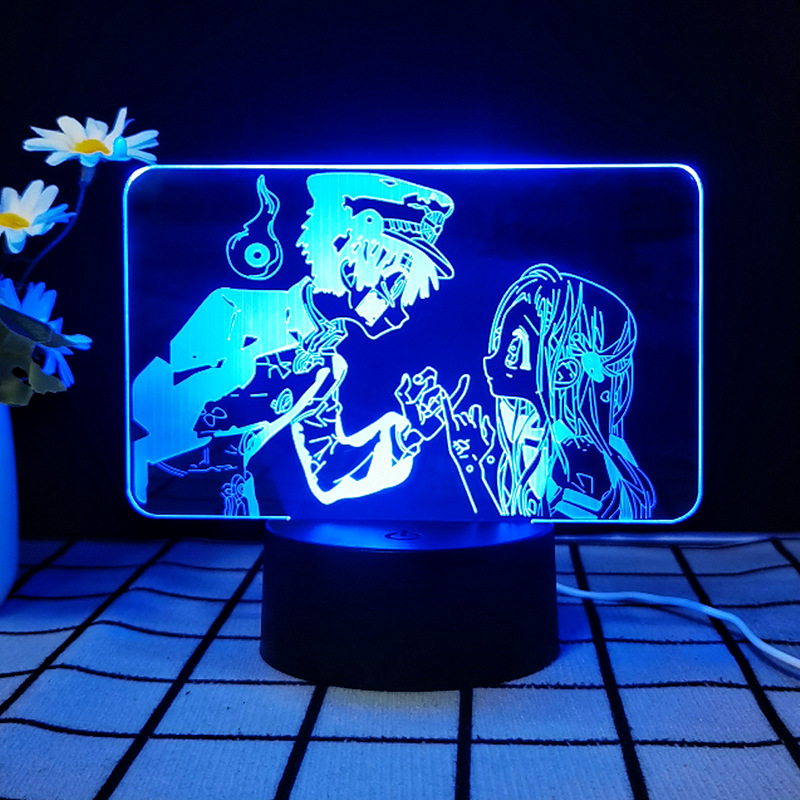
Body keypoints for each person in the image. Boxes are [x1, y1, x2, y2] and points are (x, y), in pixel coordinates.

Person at [131, 172, 466, 515]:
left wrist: (407, 438)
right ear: (353, 258)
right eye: (395, 284)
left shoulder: (330, 365)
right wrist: (282, 371)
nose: (401, 311)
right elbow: (148, 409)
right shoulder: (233, 310)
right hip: (157, 500)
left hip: (236, 514)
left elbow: (328, 473)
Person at [445, 263, 656, 520]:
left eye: (513, 348)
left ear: (565, 371)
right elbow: (509, 530)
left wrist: (472, 469)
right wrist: (472, 465)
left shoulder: (581, 469)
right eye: (499, 341)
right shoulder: (537, 438)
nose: (490, 360)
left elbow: (531, 539)